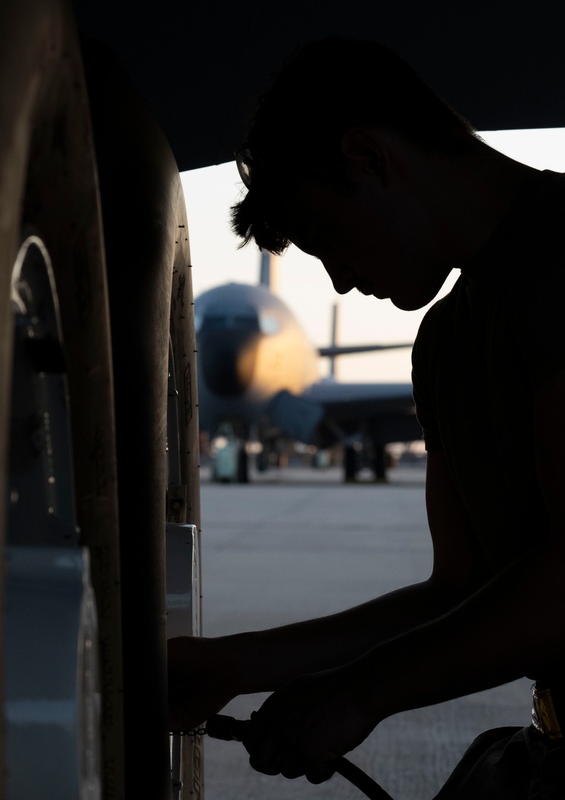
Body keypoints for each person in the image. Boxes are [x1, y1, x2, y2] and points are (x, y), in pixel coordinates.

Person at [168, 37, 564, 797]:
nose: (342, 284)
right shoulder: (445, 343)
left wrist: (361, 693)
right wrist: (238, 663)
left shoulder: (561, 258)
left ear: (371, 159)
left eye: (327, 243)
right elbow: (459, 592)